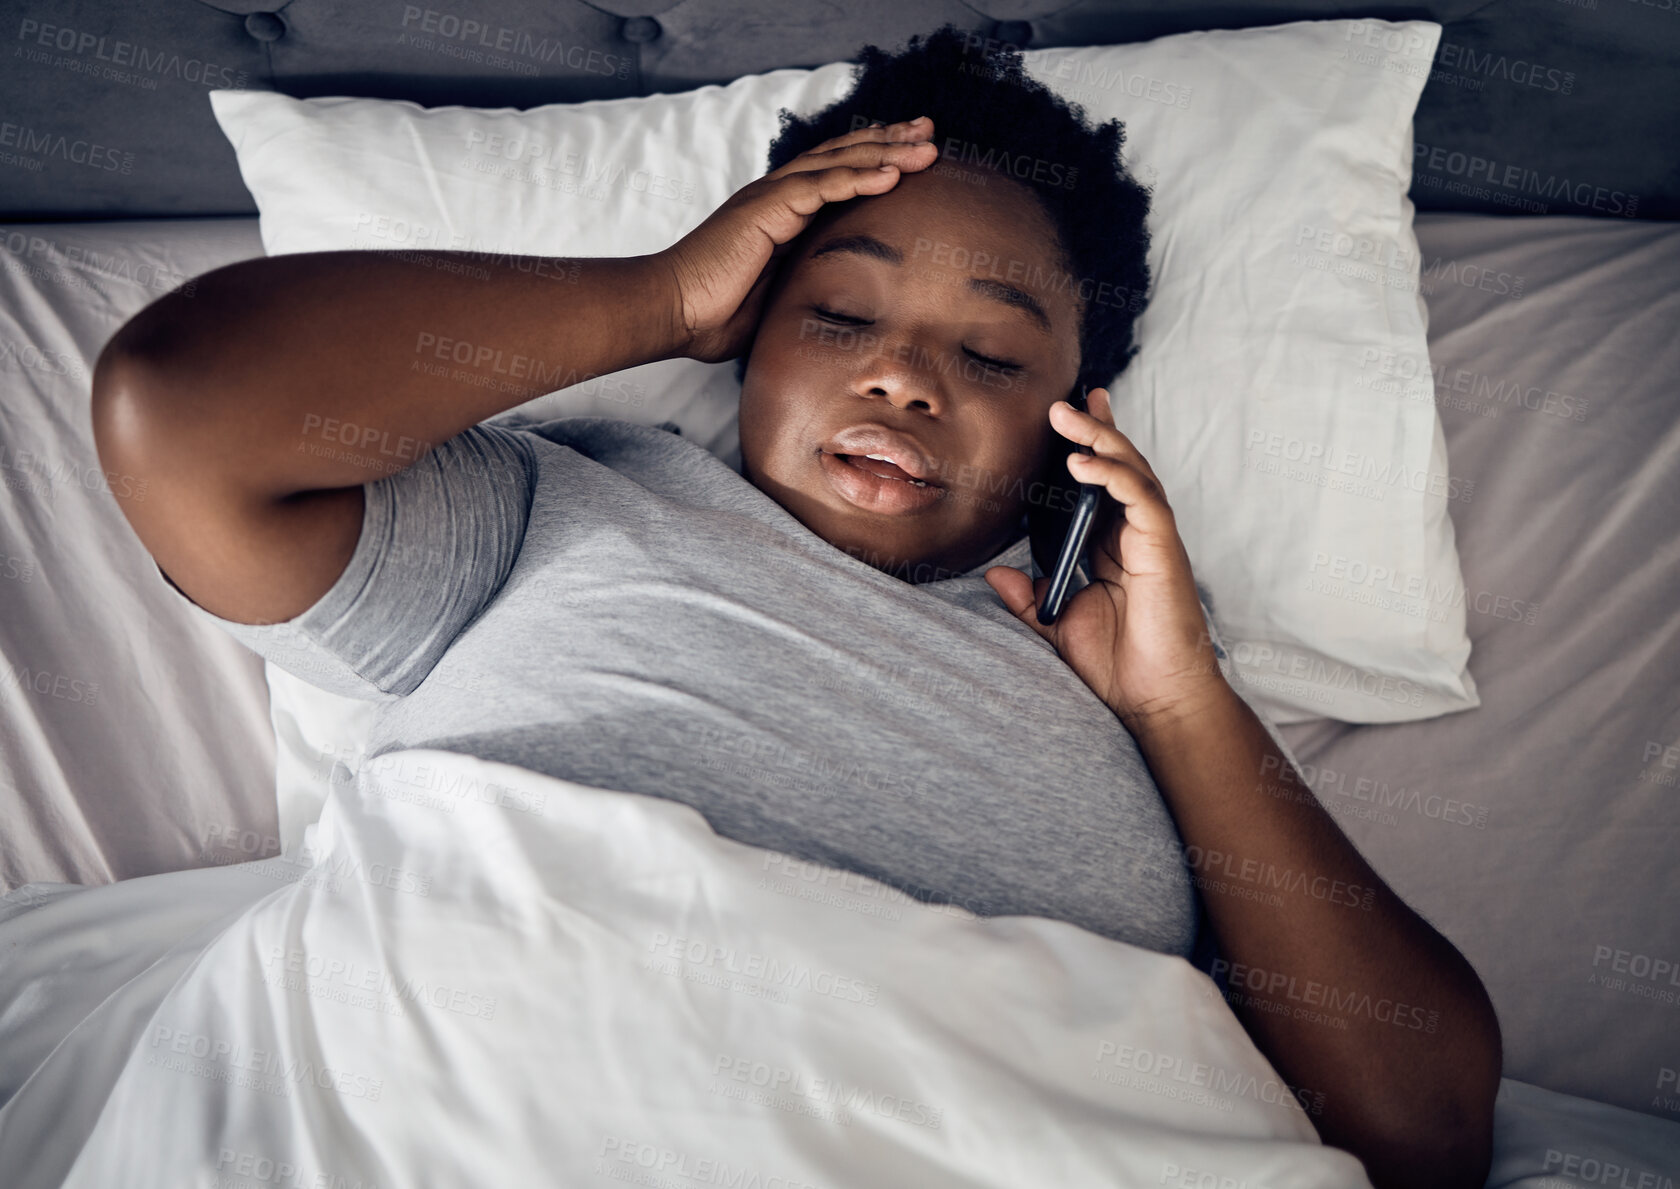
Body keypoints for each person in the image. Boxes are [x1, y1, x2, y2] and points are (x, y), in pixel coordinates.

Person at [91, 25, 1499, 1189]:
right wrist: (653, 298)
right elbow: (178, 414)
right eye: (837, 315)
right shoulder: (567, 507)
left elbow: (1420, 1131)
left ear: (1077, 419)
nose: (903, 377)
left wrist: (1182, 701)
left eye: (993, 352)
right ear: (746, 331)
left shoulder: (1140, 694)